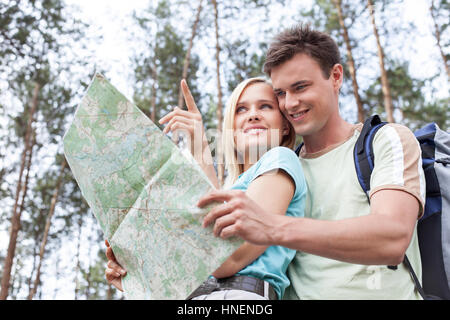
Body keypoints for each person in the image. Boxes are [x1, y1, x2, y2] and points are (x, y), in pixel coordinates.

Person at [198, 24, 426, 300]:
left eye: (301, 87)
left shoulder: (383, 140)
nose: (290, 103)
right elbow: (226, 255)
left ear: (336, 76)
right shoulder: (280, 171)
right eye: (280, 93)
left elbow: (392, 237)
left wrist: (272, 227)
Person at [106, 77, 307, 300]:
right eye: (241, 109)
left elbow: (229, 258)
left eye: (265, 106)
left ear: (286, 127)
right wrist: (136, 275)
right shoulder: (233, 189)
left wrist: (200, 146)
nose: (253, 115)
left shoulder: (281, 159)